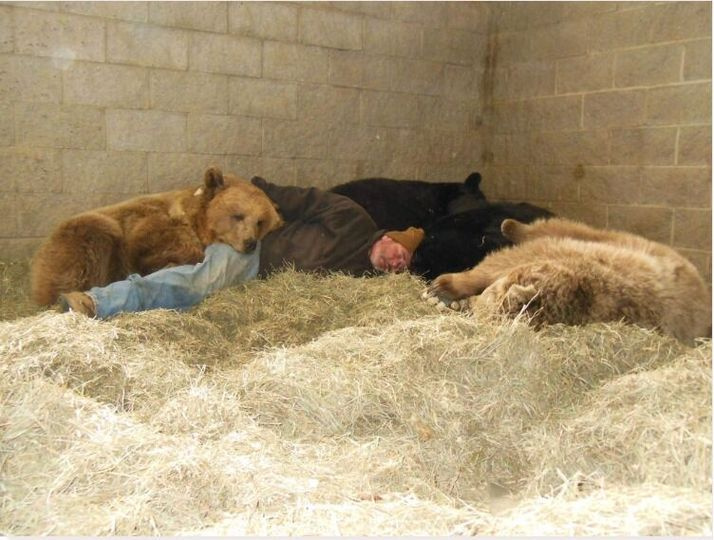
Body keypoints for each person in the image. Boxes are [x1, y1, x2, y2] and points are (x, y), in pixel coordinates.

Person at [58, 176, 425, 319]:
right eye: (400, 253)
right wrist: (251, 192)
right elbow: (294, 198)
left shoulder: (364, 275)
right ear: (390, 237)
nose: (396, 263)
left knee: (195, 304)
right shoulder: (352, 218)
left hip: (266, 291)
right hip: (251, 256)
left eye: (402, 265)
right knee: (194, 284)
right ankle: (95, 302)